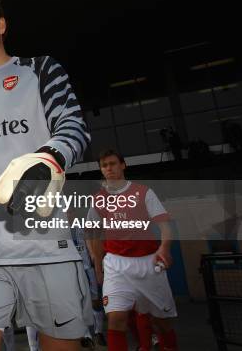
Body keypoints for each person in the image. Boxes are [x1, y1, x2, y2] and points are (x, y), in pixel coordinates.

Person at [0, 0, 92, 351]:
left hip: (43, 247)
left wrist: (45, 160)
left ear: (1, 25)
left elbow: (73, 127)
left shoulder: (40, 70)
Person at [86, 149, 178, 351]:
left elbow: (165, 226)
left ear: (123, 165)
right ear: (101, 170)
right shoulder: (98, 200)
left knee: (162, 322)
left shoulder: (144, 192)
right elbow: (94, 235)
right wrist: (98, 269)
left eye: (112, 163)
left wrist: (164, 247)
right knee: (116, 319)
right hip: (116, 264)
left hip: (149, 262)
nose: (109, 168)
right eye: (104, 165)